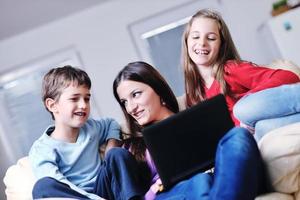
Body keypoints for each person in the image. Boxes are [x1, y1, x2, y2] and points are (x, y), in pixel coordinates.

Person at [113, 61, 267, 200]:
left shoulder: (198, 119)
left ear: (158, 89)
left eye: (136, 95)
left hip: (217, 178)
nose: (131, 108)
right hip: (172, 194)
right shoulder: (130, 148)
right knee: (200, 181)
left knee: (238, 135)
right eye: (124, 102)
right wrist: (155, 188)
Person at [181, 8, 300, 141]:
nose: (202, 42)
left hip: (250, 114)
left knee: (240, 109)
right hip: (251, 136)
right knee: (262, 129)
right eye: (196, 36)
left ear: (221, 45)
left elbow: (289, 77)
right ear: (186, 41)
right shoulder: (194, 96)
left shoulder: (230, 69)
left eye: (211, 38)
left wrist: (248, 98)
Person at [29, 65, 144, 200]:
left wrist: (111, 148)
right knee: (43, 186)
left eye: (87, 98)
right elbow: (60, 185)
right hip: (77, 196)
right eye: (74, 98)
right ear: (52, 105)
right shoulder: (42, 149)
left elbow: (111, 124)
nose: (83, 105)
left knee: (116, 153)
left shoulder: (91, 128)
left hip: (105, 188)